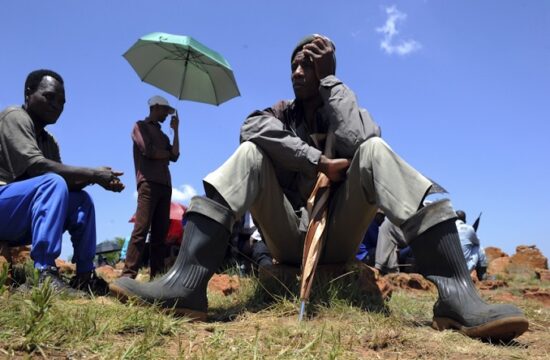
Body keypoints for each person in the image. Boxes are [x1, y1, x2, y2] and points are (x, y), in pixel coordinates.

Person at [110, 35, 528, 341]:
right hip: (289, 234)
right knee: (253, 154)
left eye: (308, 65)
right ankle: (187, 283)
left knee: (376, 151)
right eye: (294, 64)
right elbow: (249, 128)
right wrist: (317, 161)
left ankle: (457, 295)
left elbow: (363, 139)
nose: (297, 71)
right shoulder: (279, 112)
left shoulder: (341, 101)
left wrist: (331, 83)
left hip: (338, 236)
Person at [0, 69, 124, 293]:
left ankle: (85, 276)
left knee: (81, 200)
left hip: (20, 216)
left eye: (62, 102)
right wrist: (92, 174)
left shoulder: (50, 141)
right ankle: (44, 274)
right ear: (28, 93)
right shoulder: (14, 116)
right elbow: (37, 167)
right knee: (52, 182)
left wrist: (97, 180)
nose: (57, 105)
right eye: (49, 96)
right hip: (4, 206)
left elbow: (63, 186)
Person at [121, 96, 180, 279]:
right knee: (141, 229)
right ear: (155, 107)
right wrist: (165, 154)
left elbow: (175, 156)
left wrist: (176, 131)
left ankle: (156, 278)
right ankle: (127, 275)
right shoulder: (139, 126)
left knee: (160, 236)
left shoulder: (163, 135)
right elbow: (148, 150)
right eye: (164, 110)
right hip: (147, 183)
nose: (165, 114)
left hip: (165, 185)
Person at [456, 210, 488, 281]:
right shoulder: (469, 229)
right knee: (478, 246)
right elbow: (477, 242)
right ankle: (482, 275)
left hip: (448, 267)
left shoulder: (448, 229)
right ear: (465, 220)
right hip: (464, 268)